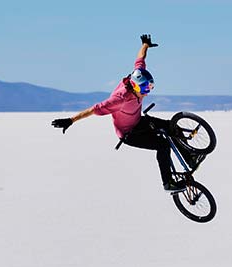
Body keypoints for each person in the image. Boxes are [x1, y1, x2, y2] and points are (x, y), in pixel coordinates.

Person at [51, 34, 187, 192]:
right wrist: (70, 120)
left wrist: (144, 45)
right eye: (145, 90)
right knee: (162, 146)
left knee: (171, 126)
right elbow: (94, 109)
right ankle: (168, 183)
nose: (147, 93)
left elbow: (140, 60)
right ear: (135, 87)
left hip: (138, 120)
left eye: (150, 88)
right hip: (130, 134)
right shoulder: (119, 99)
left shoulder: (138, 75)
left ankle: (190, 156)